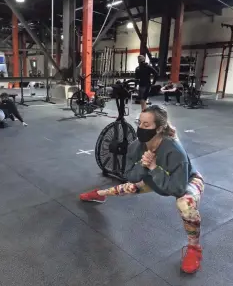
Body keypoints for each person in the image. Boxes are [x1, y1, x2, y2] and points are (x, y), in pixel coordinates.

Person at [79, 105, 204, 274]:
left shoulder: (175, 152)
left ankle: (194, 249)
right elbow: (129, 175)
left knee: (185, 204)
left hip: (186, 181)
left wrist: (153, 167)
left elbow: (177, 189)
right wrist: (144, 165)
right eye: (140, 123)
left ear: (159, 128)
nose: (140, 128)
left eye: (147, 125)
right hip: (156, 178)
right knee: (130, 187)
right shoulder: (136, 146)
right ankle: (99, 194)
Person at [135, 55, 159, 120]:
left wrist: (153, 83)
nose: (138, 60)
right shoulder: (139, 68)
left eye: (139, 59)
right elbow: (136, 78)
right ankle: (144, 114)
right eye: (138, 59)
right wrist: (136, 86)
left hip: (145, 85)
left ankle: (144, 115)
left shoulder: (145, 67)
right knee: (143, 100)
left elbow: (156, 74)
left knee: (143, 100)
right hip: (143, 85)